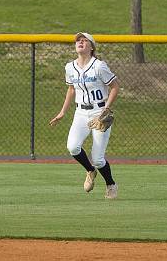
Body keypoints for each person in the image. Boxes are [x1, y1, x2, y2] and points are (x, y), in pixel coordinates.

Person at [49, 32, 120, 199]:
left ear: (91, 47)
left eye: (84, 40)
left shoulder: (99, 66)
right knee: (72, 147)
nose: (80, 42)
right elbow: (71, 89)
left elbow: (115, 86)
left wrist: (106, 109)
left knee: (98, 158)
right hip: (80, 113)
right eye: (78, 41)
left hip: (98, 112)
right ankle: (90, 170)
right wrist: (62, 112)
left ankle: (111, 184)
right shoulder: (69, 67)